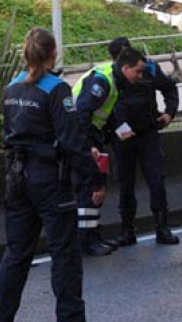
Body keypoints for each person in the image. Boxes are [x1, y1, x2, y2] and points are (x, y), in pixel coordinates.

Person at [0, 27, 110, 322]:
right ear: (53, 54)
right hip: (49, 181)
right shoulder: (56, 89)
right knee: (65, 254)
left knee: (16, 254)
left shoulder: (12, 88)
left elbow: (10, 133)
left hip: (16, 179)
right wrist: (94, 179)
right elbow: (71, 141)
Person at [107, 41, 181, 246]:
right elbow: (104, 108)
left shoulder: (149, 69)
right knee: (125, 184)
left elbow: (169, 88)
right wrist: (118, 128)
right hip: (122, 136)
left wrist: (169, 113)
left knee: (156, 180)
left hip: (148, 132)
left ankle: (162, 227)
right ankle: (127, 230)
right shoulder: (109, 75)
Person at [68, 39, 137, 256]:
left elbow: (106, 115)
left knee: (96, 187)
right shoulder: (104, 81)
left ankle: (92, 237)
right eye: (138, 72)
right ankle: (87, 242)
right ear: (126, 68)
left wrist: (120, 131)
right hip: (84, 137)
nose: (140, 77)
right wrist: (89, 146)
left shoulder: (112, 80)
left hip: (91, 135)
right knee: (89, 187)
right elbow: (82, 113)